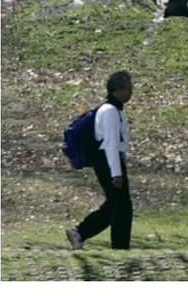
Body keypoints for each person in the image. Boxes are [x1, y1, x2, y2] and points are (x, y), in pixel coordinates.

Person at [66, 70, 134, 250]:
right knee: (122, 206)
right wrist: (116, 173)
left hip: (110, 160)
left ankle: (80, 232)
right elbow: (110, 144)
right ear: (117, 89)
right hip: (108, 161)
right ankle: (120, 246)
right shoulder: (110, 111)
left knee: (114, 204)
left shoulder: (114, 110)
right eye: (128, 88)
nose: (131, 92)